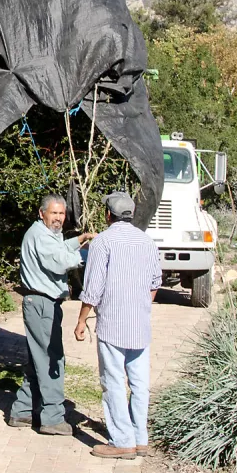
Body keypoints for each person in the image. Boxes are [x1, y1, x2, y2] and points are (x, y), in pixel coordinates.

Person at [75, 191, 161, 458]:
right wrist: (142, 307)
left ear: (107, 214)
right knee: (139, 383)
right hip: (140, 323)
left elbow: (92, 288)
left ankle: (122, 441)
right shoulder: (147, 241)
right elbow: (155, 283)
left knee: (112, 381)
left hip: (113, 323)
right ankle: (140, 437)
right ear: (131, 214)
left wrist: (81, 320)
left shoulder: (103, 242)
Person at [8, 194, 97, 435]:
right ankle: (52, 418)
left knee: (39, 358)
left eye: (61, 214)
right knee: (51, 360)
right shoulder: (40, 236)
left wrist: (79, 239)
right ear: (41, 213)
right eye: (54, 213)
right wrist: (91, 253)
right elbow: (59, 262)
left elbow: (58, 247)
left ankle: (23, 411)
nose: (59, 218)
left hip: (42, 303)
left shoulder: (45, 234)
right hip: (42, 304)